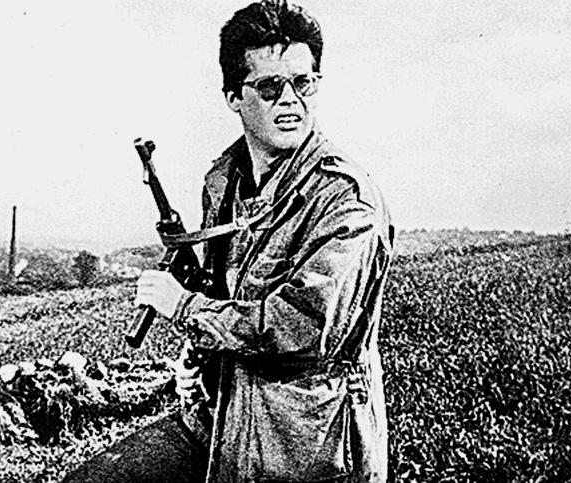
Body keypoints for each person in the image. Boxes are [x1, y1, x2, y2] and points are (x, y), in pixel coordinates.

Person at [64, 1, 393, 481]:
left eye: (303, 83)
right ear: (233, 97)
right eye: (270, 87)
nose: (290, 100)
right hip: (219, 417)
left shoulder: (346, 199)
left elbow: (304, 328)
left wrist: (184, 307)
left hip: (305, 443)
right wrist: (196, 357)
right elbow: (224, 292)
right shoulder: (224, 182)